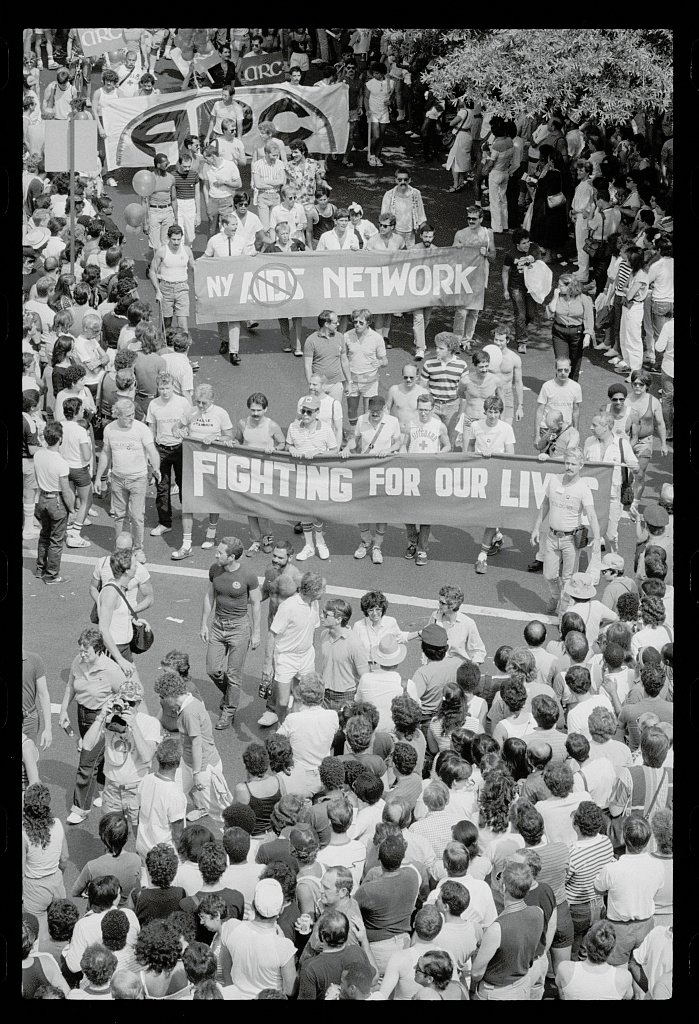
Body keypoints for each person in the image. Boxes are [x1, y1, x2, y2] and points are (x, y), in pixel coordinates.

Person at [59, 626, 127, 825]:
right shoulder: (77, 661)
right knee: (99, 758)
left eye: (86, 651)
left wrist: (112, 714)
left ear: (98, 650)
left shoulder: (111, 670)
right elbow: (70, 686)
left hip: (100, 718)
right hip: (82, 713)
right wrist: (63, 710)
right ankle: (105, 790)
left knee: (86, 764)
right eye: (80, 650)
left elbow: (126, 695)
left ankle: (80, 809)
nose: (81, 654)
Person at [81, 677, 161, 832]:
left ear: (139, 703)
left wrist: (133, 725)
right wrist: (101, 717)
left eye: (131, 703)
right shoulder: (109, 719)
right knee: (111, 835)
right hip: (112, 789)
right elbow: (87, 745)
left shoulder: (150, 723)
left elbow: (147, 757)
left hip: (137, 790)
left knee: (141, 836)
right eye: (123, 701)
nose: (126, 706)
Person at [198, 536, 261, 730]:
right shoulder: (214, 570)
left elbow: (256, 603)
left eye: (220, 553)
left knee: (234, 675)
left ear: (232, 557)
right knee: (212, 669)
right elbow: (210, 595)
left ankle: (228, 711)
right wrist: (204, 624)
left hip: (239, 628)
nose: (216, 555)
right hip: (218, 626)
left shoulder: (248, 576)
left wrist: (256, 632)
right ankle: (230, 695)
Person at [531, 447, 602, 614]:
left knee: (569, 579)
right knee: (549, 575)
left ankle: (563, 611)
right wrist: (536, 528)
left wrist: (597, 539)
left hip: (571, 540)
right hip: (552, 536)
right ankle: (555, 596)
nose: (569, 467)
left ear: (581, 466)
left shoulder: (583, 488)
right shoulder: (554, 480)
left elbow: (592, 515)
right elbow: (545, 504)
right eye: (567, 463)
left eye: (573, 464)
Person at [156, 672, 231, 828]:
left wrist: (197, 773)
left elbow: (197, 743)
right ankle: (175, 832)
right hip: (189, 762)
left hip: (204, 768)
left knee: (219, 813)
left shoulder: (189, 712)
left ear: (170, 695)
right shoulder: (189, 703)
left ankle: (234, 838)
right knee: (173, 794)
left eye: (162, 697)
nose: (160, 700)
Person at [170, 383, 234, 558]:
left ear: (212, 400)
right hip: (191, 464)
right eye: (198, 401)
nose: (200, 405)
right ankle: (186, 544)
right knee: (188, 501)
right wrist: (178, 431)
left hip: (212, 464)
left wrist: (215, 437)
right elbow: (175, 427)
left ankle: (211, 534)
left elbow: (230, 436)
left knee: (213, 500)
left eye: (204, 402)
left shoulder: (221, 413)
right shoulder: (191, 412)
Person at [593, 815, 665, 965]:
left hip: (619, 928)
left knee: (617, 970)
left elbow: (598, 889)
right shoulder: (658, 866)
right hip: (646, 924)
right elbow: (657, 890)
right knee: (642, 967)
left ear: (624, 838)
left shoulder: (612, 869)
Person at [94, 399, 161, 559]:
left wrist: (156, 468)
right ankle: (121, 550)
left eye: (132, 414)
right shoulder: (109, 429)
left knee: (137, 516)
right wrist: (98, 478)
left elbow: (152, 451)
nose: (131, 418)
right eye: (127, 416)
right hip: (118, 479)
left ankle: (138, 549)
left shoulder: (141, 429)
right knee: (119, 516)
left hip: (138, 479)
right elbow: (105, 454)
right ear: (117, 415)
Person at [469, 861, 543, 1000]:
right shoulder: (538, 912)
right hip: (522, 984)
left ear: (503, 887)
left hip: (497, 992)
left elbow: (476, 973)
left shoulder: (497, 929)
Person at [341, 395, 401, 564]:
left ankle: (377, 547)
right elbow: (355, 441)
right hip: (365, 469)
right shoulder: (362, 420)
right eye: (372, 411)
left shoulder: (393, 422)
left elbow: (398, 443)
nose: (374, 414)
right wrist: (347, 448)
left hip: (384, 469)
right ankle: (366, 540)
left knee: (381, 509)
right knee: (362, 506)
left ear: (384, 410)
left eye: (377, 411)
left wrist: (388, 450)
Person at [260, 571, 324, 727]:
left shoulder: (314, 604)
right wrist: (267, 665)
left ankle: (293, 728)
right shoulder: (288, 607)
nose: (324, 591)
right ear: (313, 591)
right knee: (282, 702)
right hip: (286, 658)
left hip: (306, 656)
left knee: (300, 696)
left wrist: (311, 652)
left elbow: (313, 630)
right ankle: (283, 726)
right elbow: (272, 634)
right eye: (322, 588)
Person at [355, 834, 421, 976]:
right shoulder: (412, 876)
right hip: (405, 944)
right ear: (403, 857)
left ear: (379, 858)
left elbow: (352, 907)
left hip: (377, 950)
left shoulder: (369, 890)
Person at [219, 879, 297, 997]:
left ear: (253, 905)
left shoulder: (231, 928)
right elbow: (290, 990)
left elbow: (225, 970)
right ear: (281, 909)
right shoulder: (284, 946)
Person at [286, 395, 340, 561]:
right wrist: (291, 449)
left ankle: (320, 542)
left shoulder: (326, 429)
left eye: (309, 412)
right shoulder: (293, 427)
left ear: (317, 412)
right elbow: (288, 444)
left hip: (319, 477)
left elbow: (334, 450)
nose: (305, 414)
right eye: (303, 411)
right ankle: (309, 545)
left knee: (317, 512)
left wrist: (318, 452)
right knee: (304, 512)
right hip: (300, 476)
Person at [402, 393, 451, 566]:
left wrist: (437, 455)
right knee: (407, 511)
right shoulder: (410, 424)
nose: (423, 413)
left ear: (432, 409)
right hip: (411, 473)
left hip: (429, 473)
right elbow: (404, 444)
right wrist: (404, 457)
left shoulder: (439, 426)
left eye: (426, 410)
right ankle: (412, 541)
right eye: (420, 410)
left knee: (425, 513)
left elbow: (448, 446)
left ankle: (422, 549)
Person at [146, 372, 192, 540]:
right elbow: (151, 429)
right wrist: (150, 452)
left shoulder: (183, 403)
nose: (165, 392)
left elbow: (190, 424)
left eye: (167, 388)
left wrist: (186, 434)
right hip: (161, 449)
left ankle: (187, 514)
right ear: (157, 388)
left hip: (180, 448)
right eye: (161, 388)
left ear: (173, 386)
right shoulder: (153, 404)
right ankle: (165, 522)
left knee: (183, 483)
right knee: (162, 487)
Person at [63, 876, 140, 976]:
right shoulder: (129, 915)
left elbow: (74, 966)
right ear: (115, 899)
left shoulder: (82, 925)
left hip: (99, 977)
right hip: (130, 972)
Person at [33, 421, 74, 586]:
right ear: (60, 439)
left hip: (42, 498)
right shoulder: (61, 463)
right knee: (56, 540)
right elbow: (66, 491)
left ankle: (40, 569)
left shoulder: (38, 455)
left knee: (44, 535)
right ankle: (51, 575)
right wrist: (72, 509)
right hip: (56, 501)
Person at [136, 737, 187, 860]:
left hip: (143, 846)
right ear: (178, 762)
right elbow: (178, 835)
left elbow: (138, 814)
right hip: (163, 855)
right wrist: (184, 858)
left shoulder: (145, 780)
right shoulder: (175, 794)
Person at [22, 784, 69, 917]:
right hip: (56, 883)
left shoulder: (23, 835)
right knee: (61, 923)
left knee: (37, 927)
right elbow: (64, 857)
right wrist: (58, 875)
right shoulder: (58, 823)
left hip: (34, 889)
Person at [556, 920, 633, 999]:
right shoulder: (624, 977)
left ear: (586, 944)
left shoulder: (565, 969)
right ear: (612, 950)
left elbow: (561, 989)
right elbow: (628, 997)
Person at [148, 225, 194, 333]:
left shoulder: (187, 251)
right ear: (169, 238)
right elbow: (152, 271)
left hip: (182, 288)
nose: (176, 242)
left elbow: (195, 268)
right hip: (166, 288)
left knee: (183, 324)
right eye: (174, 239)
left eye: (179, 239)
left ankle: (184, 343)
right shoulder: (162, 251)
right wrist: (157, 291)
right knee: (167, 324)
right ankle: (166, 343)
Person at [502, 228, 539, 354]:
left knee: (531, 314)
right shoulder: (510, 254)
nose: (527, 245)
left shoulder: (533, 249)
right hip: (516, 287)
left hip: (531, 287)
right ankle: (522, 341)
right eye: (524, 243)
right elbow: (505, 271)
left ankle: (519, 326)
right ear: (517, 244)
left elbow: (540, 264)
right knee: (520, 314)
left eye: (528, 242)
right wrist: (505, 290)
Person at [303, 310, 350, 403]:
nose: (338, 324)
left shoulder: (340, 337)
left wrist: (349, 382)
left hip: (336, 384)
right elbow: (307, 366)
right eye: (335, 322)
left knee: (334, 409)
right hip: (319, 385)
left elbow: (344, 361)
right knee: (317, 410)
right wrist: (312, 385)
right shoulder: (311, 340)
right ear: (326, 324)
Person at [200, 143, 243, 238]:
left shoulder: (230, 165)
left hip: (226, 200)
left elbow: (239, 184)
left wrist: (224, 182)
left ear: (212, 156)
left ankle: (228, 247)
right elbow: (205, 186)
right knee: (212, 231)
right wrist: (207, 203)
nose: (205, 160)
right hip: (212, 201)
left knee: (226, 229)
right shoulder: (206, 167)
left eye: (206, 158)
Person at [380, 171, 426, 248]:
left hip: (410, 234)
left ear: (409, 180)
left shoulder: (416, 194)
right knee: (394, 253)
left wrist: (426, 233)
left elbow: (421, 216)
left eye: (405, 179)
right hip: (394, 232)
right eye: (400, 180)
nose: (403, 182)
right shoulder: (389, 195)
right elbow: (384, 218)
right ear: (395, 180)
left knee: (410, 254)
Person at [365, 63, 394, 167]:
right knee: (376, 136)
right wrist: (367, 110)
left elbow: (392, 97)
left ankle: (377, 156)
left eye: (377, 73)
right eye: (373, 73)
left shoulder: (391, 83)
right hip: (373, 112)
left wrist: (390, 102)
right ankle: (371, 155)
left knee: (381, 136)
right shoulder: (370, 83)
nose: (375, 75)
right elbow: (366, 98)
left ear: (382, 73)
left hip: (384, 112)